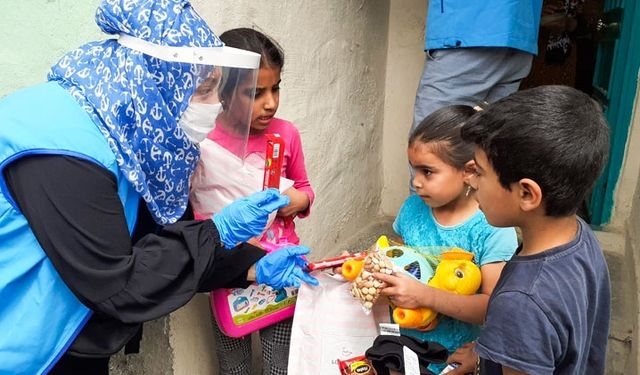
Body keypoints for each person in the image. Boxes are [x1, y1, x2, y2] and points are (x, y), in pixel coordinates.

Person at [0, 1, 317, 374]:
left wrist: (253, 267)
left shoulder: (136, 136)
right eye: (204, 89)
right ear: (155, 82)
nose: (215, 106)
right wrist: (220, 230)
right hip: (25, 348)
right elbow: (121, 284)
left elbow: (165, 244)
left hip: (72, 328)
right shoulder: (61, 150)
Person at [446, 85, 611, 374]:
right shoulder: (578, 234)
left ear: (526, 194)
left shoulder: (522, 302)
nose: (470, 180)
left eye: (481, 172)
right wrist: (489, 356)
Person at [190, 27, 315, 375]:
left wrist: (296, 200)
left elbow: (305, 189)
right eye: (256, 93)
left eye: (275, 89)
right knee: (234, 362)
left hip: (280, 265)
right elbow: (194, 212)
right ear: (224, 93)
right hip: (228, 270)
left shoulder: (285, 134)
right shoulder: (203, 140)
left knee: (281, 361)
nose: (270, 102)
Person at [374, 105, 518, 373]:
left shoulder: (491, 227)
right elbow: (397, 261)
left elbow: (492, 307)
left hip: (454, 357)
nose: (416, 182)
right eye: (413, 169)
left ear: (468, 171)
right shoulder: (412, 209)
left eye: (427, 172)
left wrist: (425, 297)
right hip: (403, 345)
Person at [408, 1, 544, 192]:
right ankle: (470, 221)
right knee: (488, 155)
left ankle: (419, 222)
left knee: (429, 144)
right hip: (520, 33)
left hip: (468, 28)